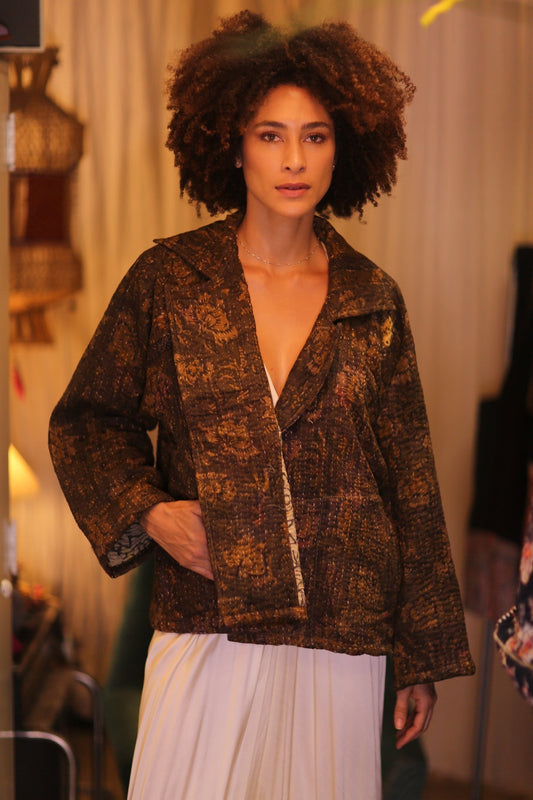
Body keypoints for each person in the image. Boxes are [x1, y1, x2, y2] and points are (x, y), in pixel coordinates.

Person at [49, 11, 475, 799]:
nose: (293, 160)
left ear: (344, 148)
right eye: (270, 135)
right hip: (208, 619)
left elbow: (410, 487)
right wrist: (151, 511)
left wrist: (419, 656)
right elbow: (86, 424)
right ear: (232, 144)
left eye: (315, 136)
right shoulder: (172, 282)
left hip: (342, 640)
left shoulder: (372, 299)